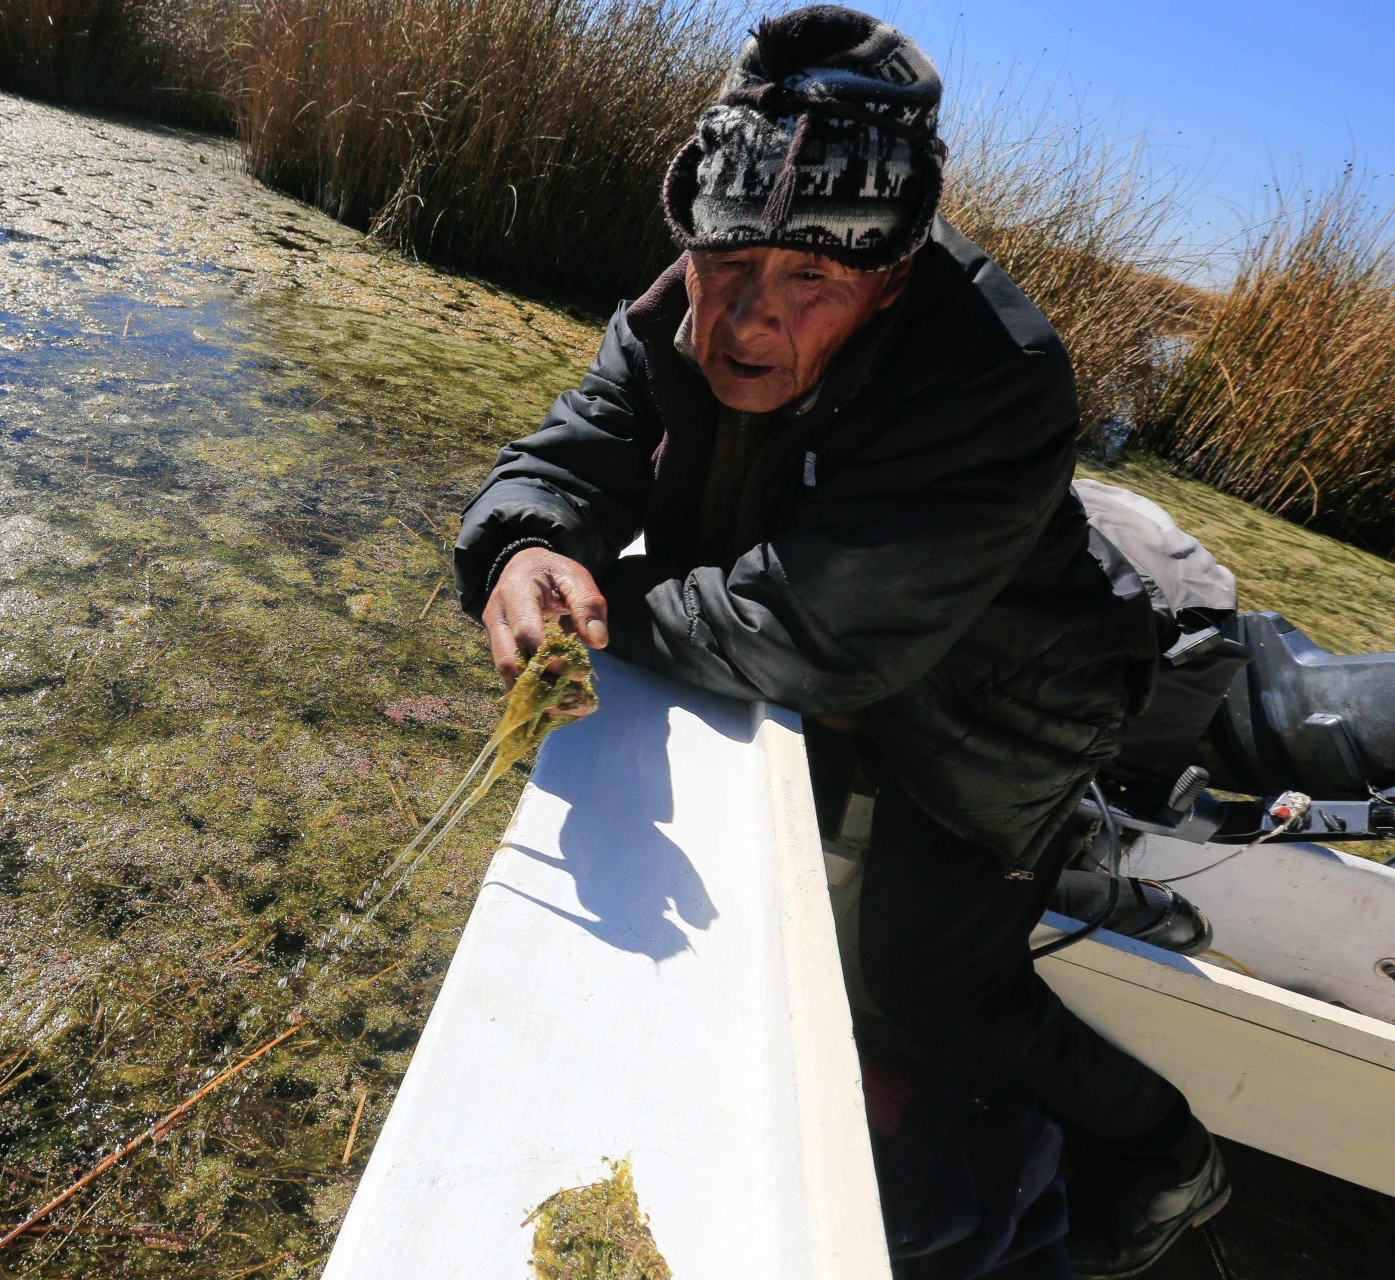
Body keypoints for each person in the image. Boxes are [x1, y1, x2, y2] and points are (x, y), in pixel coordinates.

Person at [452, 7, 1229, 1277]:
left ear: (894, 273)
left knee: (935, 987)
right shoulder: (672, 311)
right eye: (726, 265)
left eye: (810, 282)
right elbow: (565, 459)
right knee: (793, 907)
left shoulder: (1000, 377)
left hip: (1000, 713)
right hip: (842, 693)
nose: (748, 322)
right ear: (692, 232)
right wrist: (528, 550)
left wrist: (610, 604)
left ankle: (1165, 1156)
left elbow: (810, 635)